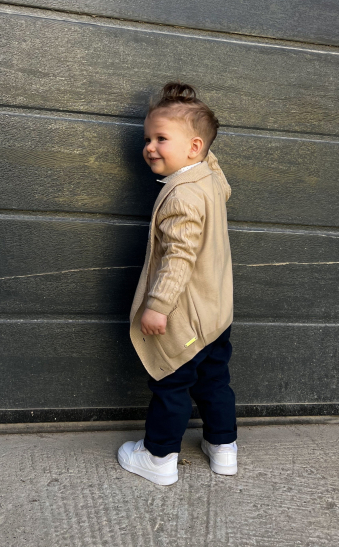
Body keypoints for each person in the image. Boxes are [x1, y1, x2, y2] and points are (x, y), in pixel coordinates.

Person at [117, 82, 237, 485]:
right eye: (147, 139)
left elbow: (178, 259)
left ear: (193, 147)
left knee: (171, 384)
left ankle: (159, 457)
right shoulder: (211, 182)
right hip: (217, 314)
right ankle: (223, 447)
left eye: (161, 138)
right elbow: (213, 164)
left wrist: (157, 306)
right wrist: (202, 146)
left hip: (184, 318)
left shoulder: (182, 196)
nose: (150, 147)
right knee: (215, 381)